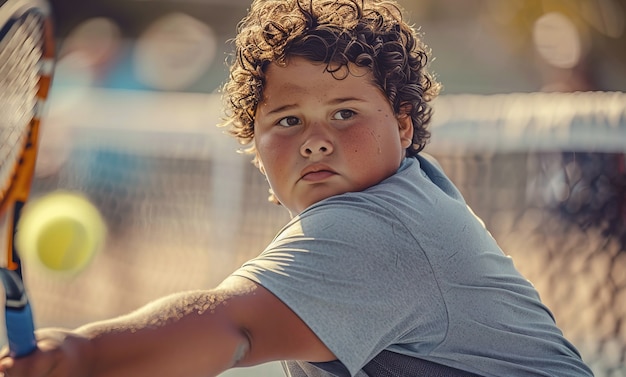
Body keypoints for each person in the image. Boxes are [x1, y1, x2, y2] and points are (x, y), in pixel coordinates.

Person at [0, 0, 595, 376]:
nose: (314, 140)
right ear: (254, 147)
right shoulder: (404, 198)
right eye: (287, 121)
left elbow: (229, 327)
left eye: (344, 113)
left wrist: (81, 356)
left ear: (404, 124)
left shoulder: (377, 228)